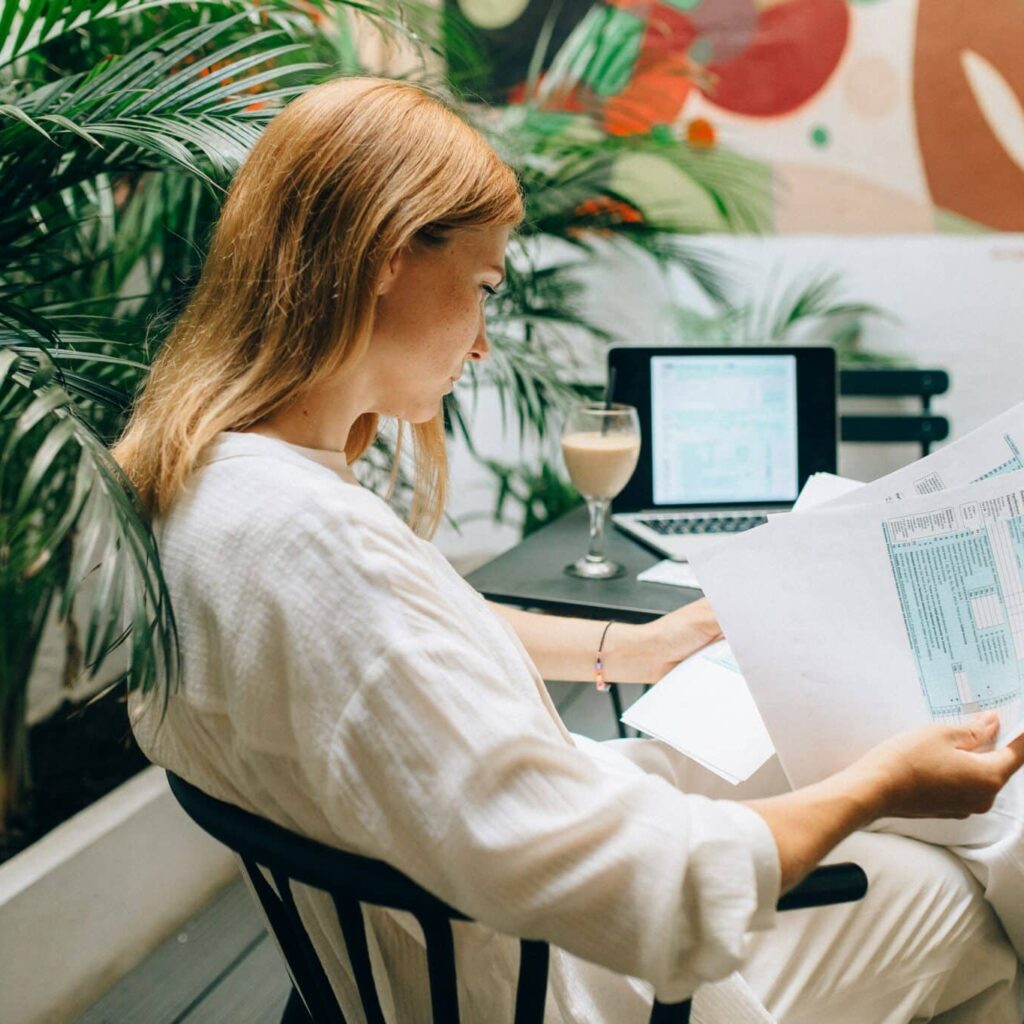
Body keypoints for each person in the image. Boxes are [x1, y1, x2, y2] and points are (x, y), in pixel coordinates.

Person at [114, 76, 1024, 1023]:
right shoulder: (308, 540)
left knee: (832, 753)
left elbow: (406, 631)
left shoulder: (217, 487)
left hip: (462, 926)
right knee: (963, 899)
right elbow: (651, 885)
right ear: (389, 255)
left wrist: (629, 650)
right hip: (561, 984)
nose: (480, 346)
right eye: (482, 288)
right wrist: (879, 787)